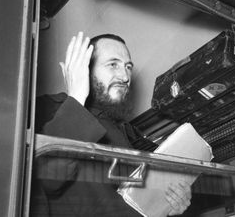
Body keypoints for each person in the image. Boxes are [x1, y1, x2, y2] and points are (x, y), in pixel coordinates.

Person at [30, 32, 191, 216]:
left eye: (128, 67)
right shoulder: (47, 108)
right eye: (113, 64)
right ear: (85, 68)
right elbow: (46, 179)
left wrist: (170, 204)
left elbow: (142, 202)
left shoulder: (130, 134)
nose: (125, 76)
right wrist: (76, 98)